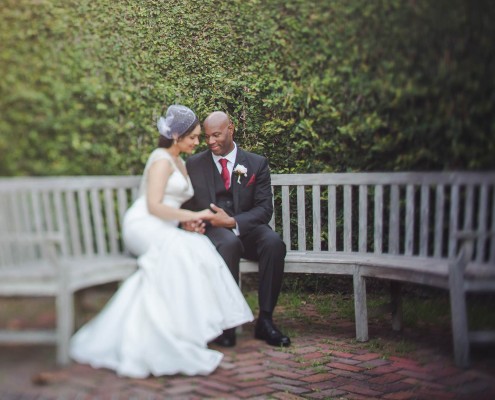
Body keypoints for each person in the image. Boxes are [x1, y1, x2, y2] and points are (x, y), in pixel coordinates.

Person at [69, 105, 254, 378]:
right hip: (143, 225)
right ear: (176, 136)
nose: (197, 141)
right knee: (182, 251)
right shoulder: (160, 159)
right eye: (192, 137)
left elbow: (171, 206)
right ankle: (161, 335)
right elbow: (154, 206)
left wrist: (186, 222)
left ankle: (183, 329)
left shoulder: (180, 161)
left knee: (198, 247)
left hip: (165, 226)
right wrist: (195, 214)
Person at [182, 111, 290, 348]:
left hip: (246, 228)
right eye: (207, 136)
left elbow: (264, 209)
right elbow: (186, 204)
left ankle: (266, 320)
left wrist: (233, 222)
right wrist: (189, 222)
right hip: (212, 231)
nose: (211, 142)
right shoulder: (194, 164)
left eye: (216, 135)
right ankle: (227, 325)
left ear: (231, 129)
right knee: (228, 244)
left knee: (274, 243)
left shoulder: (256, 163)